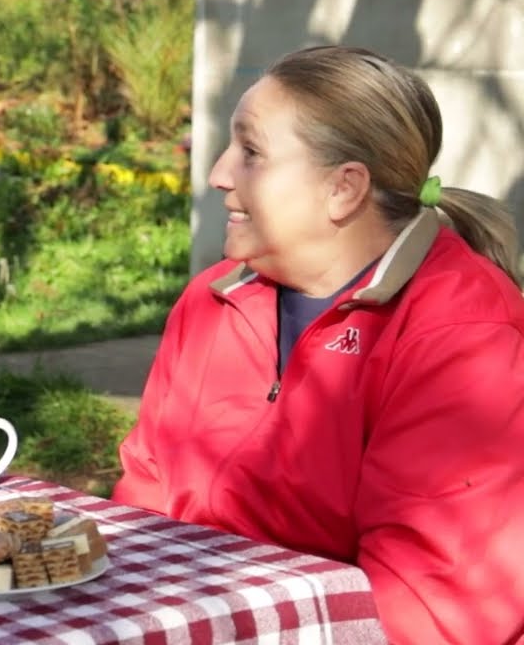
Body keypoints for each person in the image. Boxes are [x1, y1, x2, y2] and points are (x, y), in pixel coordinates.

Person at [111, 45, 524, 644]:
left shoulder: (463, 337)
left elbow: (429, 610)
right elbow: (145, 496)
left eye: (251, 152)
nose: (219, 174)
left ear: (344, 189)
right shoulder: (212, 299)